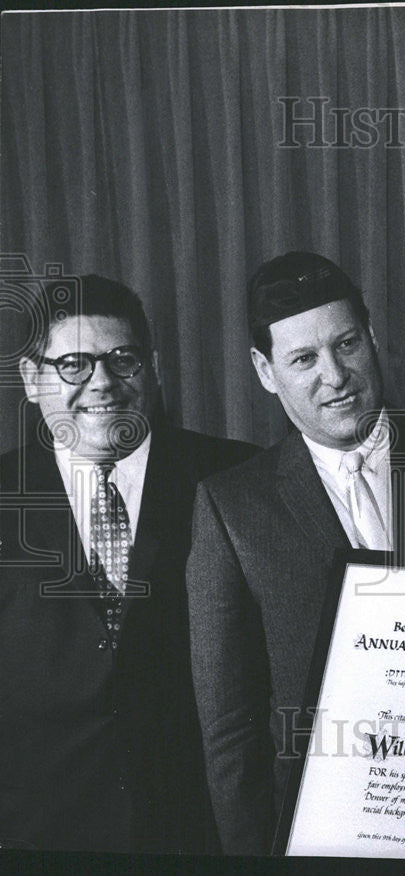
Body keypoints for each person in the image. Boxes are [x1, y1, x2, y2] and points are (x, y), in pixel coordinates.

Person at [186, 251, 405, 855]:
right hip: (326, 834)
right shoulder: (232, 507)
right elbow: (230, 731)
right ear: (264, 369)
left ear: (374, 339)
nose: (334, 376)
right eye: (303, 358)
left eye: (347, 344)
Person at [0, 274, 257, 853]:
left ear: (153, 366)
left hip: (202, 837)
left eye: (123, 359)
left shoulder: (239, 480)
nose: (102, 383)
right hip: (37, 839)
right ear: (30, 377)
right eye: (73, 364)